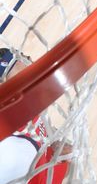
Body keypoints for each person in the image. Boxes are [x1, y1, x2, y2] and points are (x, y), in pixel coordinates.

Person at [0, 49, 69, 184]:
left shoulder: (29, 111)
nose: (31, 60)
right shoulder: (10, 152)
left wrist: (57, 150)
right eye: (21, 59)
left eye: (25, 55)